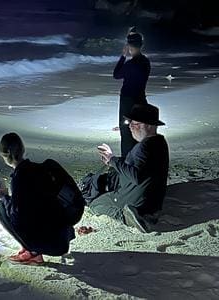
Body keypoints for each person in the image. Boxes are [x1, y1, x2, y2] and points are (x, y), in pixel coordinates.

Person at [0, 132, 83, 264]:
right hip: (62, 233)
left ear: (4, 156)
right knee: (23, 208)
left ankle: (33, 251)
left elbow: (16, 215)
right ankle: (32, 248)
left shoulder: (19, 178)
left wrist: (4, 197)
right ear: (23, 149)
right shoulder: (40, 169)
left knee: (1, 208)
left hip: (52, 243)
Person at [88, 103, 169, 233]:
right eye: (130, 122)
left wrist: (112, 159)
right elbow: (140, 169)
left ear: (148, 125)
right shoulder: (160, 142)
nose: (130, 126)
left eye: (135, 123)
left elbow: (135, 176)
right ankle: (141, 213)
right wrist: (112, 161)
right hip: (153, 202)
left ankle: (125, 217)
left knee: (96, 204)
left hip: (135, 201)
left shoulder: (143, 147)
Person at [113, 27, 151, 157]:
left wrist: (123, 56)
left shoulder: (130, 64)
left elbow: (116, 74)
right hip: (140, 99)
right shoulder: (146, 62)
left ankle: (127, 159)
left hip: (128, 101)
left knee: (126, 131)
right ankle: (139, 157)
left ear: (129, 46)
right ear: (141, 45)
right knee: (138, 131)